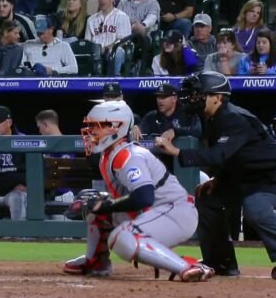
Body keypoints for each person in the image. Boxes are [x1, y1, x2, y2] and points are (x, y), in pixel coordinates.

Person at [154, 72, 276, 280]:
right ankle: (220, 260)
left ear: (217, 97)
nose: (193, 98)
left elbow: (218, 155)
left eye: (199, 94)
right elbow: (237, 157)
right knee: (208, 198)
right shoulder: (212, 118)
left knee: (255, 205)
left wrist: (177, 152)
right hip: (251, 176)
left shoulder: (234, 117)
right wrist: (218, 180)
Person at [62, 100, 212, 282]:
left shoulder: (128, 156)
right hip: (156, 211)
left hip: (174, 212)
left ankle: (188, 266)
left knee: (121, 237)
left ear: (117, 127)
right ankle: (96, 262)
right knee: (96, 213)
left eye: (97, 126)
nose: (92, 131)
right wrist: (100, 205)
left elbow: (144, 197)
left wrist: (105, 204)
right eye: (91, 126)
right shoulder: (109, 154)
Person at [85, 0, 131, 76]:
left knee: (116, 52)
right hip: (95, 51)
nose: (102, 0)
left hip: (114, 50)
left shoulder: (122, 16)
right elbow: (88, 41)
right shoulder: (91, 19)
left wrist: (107, 48)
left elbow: (123, 41)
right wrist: (97, 49)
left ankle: (114, 79)